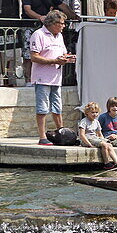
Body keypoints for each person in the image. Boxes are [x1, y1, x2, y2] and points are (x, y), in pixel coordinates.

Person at [27, 10, 75, 145]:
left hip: (56, 78)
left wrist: (67, 58)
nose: (63, 26)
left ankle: (61, 134)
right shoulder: (39, 34)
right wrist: (54, 61)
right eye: (62, 23)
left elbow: (62, 53)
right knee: (42, 108)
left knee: (57, 107)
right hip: (42, 77)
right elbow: (34, 57)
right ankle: (42, 137)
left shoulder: (59, 36)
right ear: (53, 23)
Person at [76, 102, 117, 167]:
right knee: (104, 145)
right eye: (92, 112)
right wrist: (89, 144)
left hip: (94, 138)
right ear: (87, 113)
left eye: (96, 112)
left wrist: (104, 140)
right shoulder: (84, 121)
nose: (95, 114)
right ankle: (106, 163)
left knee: (108, 145)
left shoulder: (96, 122)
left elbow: (99, 134)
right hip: (87, 139)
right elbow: (82, 135)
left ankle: (116, 162)